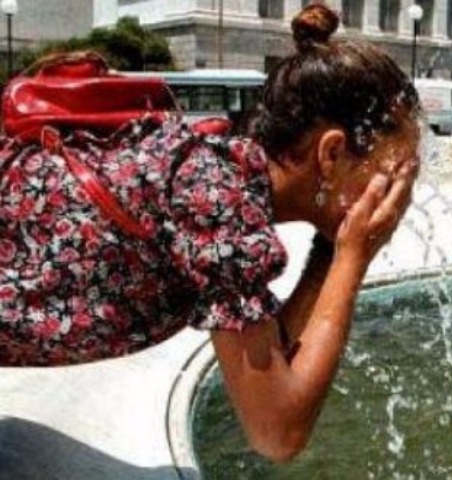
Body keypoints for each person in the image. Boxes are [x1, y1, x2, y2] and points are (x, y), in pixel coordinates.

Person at [0, 3, 421, 462]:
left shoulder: (223, 179)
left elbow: (271, 363)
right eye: (393, 172)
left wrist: (332, 252)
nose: (399, 194)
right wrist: (353, 257)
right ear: (332, 154)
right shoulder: (216, 195)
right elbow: (276, 431)